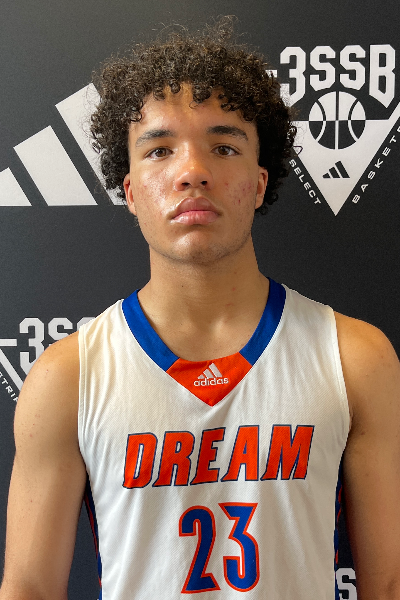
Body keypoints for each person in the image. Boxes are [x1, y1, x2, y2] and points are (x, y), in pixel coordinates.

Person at [1, 18, 400, 600]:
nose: (192, 171)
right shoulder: (68, 377)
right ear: (130, 190)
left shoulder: (355, 359)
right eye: (159, 150)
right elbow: (30, 588)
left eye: (223, 146)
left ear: (259, 183)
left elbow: (386, 584)